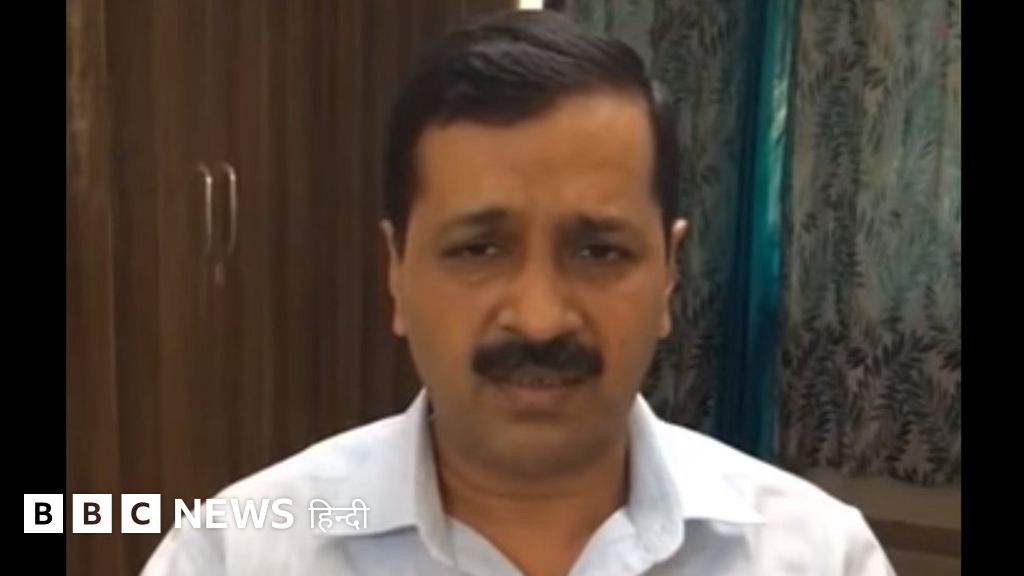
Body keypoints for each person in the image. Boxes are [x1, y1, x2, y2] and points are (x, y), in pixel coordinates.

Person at [143, 9, 894, 575]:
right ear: (396, 271)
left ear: (668, 273)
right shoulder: (234, 554)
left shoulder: (816, 556)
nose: (539, 319)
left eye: (600, 251)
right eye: (478, 249)